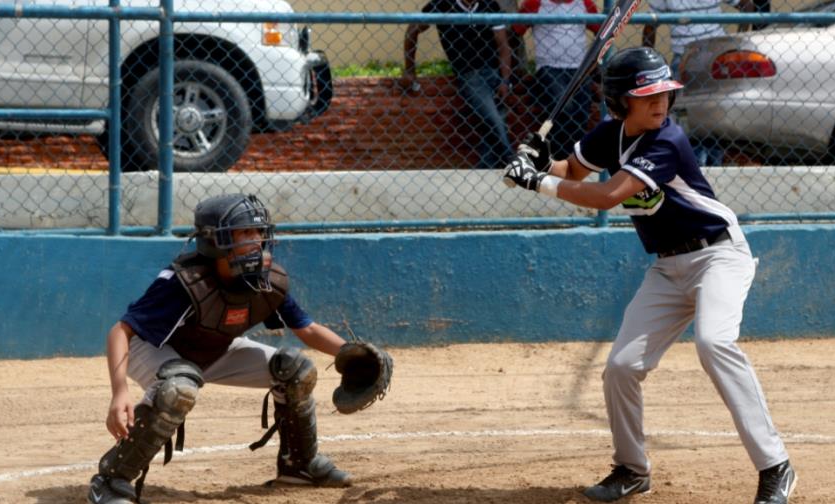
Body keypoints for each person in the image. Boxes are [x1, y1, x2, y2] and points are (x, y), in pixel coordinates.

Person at [503, 47, 797, 504]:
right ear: (621, 102)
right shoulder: (610, 135)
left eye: (664, 92)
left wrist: (535, 182)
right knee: (621, 367)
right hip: (667, 267)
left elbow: (606, 196)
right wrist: (540, 162)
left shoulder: (668, 141)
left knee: (714, 343)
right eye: (647, 95)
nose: (660, 102)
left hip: (718, 255)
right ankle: (632, 469)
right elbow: (572, 171)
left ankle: (776, 465)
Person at [87, 194, 352, 504]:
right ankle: (110, 480)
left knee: (296, 370)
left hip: (214, 352)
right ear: (215, 240)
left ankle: (300, 464)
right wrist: (119, 393)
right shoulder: (185, 282)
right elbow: (121, 330)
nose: (255, 242)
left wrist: (352, 355)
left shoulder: (264, 280)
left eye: (258, 233)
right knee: (179, 389)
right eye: (243, 234)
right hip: (151, 349)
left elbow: (307, 329)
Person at [401, 0, 515, 169]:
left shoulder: (489, 5)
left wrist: (505, 80)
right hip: (470, 74)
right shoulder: (442, 5)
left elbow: (503, 46)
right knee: (494, 121)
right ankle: (512, 163)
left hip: (495, 72)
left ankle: (484, 173)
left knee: (491, 130)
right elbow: (412, 31)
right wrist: (410, 69)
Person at [642, 0, 754, 166]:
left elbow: (650, 25)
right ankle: (701, 168)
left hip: (709, 54)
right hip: (694, 56)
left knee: (699, 116)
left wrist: (737, 45)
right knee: (702, 115)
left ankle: (701, 168)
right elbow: (651, 22)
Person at [512, 0, 601, 159]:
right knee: (564, 109)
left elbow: (602, 31)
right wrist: (516, 68)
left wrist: (595, 62)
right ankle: (561, 158)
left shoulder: (584, 3)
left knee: (581, 112)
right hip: (549, 67)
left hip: (578, 69)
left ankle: (573, 157)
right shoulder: (535, 3)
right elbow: (515, 31)